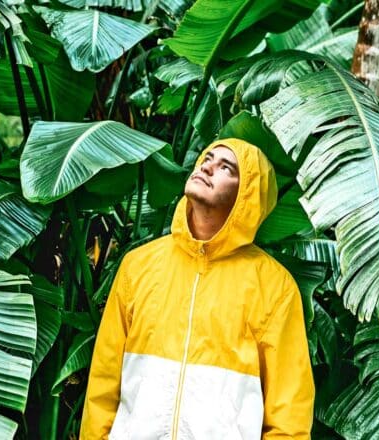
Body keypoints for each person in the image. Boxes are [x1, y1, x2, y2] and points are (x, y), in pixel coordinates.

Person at [79, 138, 315, 439]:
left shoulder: (274, 287)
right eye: (207, 158)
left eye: (225, 167)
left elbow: (288, 415)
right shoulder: (137, 266)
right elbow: (102, 386)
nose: (207, 166)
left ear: (248, 195)